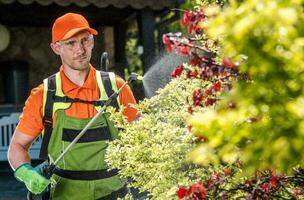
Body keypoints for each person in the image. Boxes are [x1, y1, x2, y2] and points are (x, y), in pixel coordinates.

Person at [7, 12, 138, 200]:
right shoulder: (43, 95)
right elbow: (17, 146)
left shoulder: (116, 88)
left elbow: (141, 138)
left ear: (92, 42)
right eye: (71, 43)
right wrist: (26, 172)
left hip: (116, 194)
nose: (80, 50)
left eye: (85, 40)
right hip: (64, 195)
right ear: (56, 47)